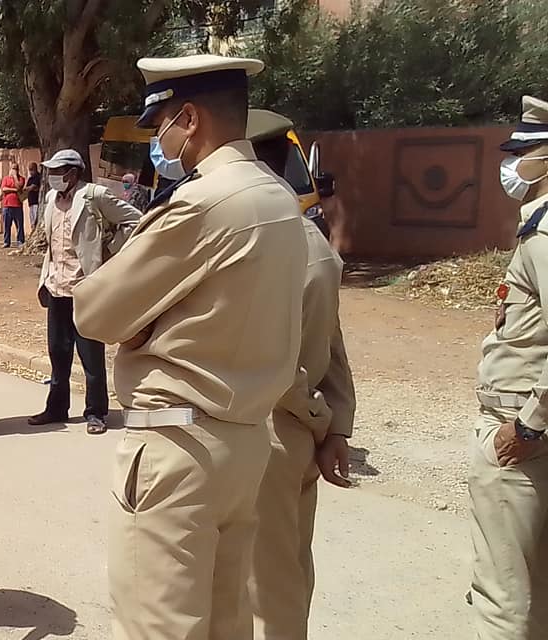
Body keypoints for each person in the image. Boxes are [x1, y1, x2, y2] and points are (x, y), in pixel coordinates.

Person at [71, 55, 307, 639]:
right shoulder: (278, 198)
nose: (161, 141)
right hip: (244, 439)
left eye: (162, 126)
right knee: (227, 624)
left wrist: (145, 324)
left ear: (190, 118)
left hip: (178, 445)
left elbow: (94, 311)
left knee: (160, 627)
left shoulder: (204, 202)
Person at [249, 215, 356, 638]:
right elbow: (332, 340)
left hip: (264, 426)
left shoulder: (251, 236)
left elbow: (271, 361)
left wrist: (319, 414)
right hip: (295, 432)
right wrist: (335, 425)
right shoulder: (311, 239)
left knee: (264, 589)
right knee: (287, 573)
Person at [468, 94, 548, 640]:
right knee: (535, 590)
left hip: (522, 429)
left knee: (503, 595)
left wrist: (528, 425)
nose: (513, 166)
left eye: (524, 154)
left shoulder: (544, 236)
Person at [28, 149, 141, 435]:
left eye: (59, 171)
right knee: (58, 352)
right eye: (51, 171)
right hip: (56, 287)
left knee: (91, 355)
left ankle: (96, 412)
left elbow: (136, 219)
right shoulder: (51, 198)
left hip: (85, 288)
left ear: (73, 172)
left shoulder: (94, 195)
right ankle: (56, 408)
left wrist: (110, 248)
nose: (53, 177)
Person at [0, 164, 25, 248]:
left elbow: (19, 187)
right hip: (7, 205)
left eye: (16, 169)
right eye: (13, 168)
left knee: (19, 225)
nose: (14, 170)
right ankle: (6, 241)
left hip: (17, 205)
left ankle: (20, 241)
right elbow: (4, 189)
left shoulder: (21, 179)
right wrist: (14, 190)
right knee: (6, 225)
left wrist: (15, 177)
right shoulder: (6, 179)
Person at [26, 162, 43, 228]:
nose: (31, 172)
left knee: (36, 220)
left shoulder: (38, 177)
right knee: (32, 221)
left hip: (36, 202)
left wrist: (30, 188)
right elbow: (27, 188)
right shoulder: (30, 179)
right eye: (29, 170)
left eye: (32, 169)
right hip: (31, 202)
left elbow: (32, 187)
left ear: (35, 169)